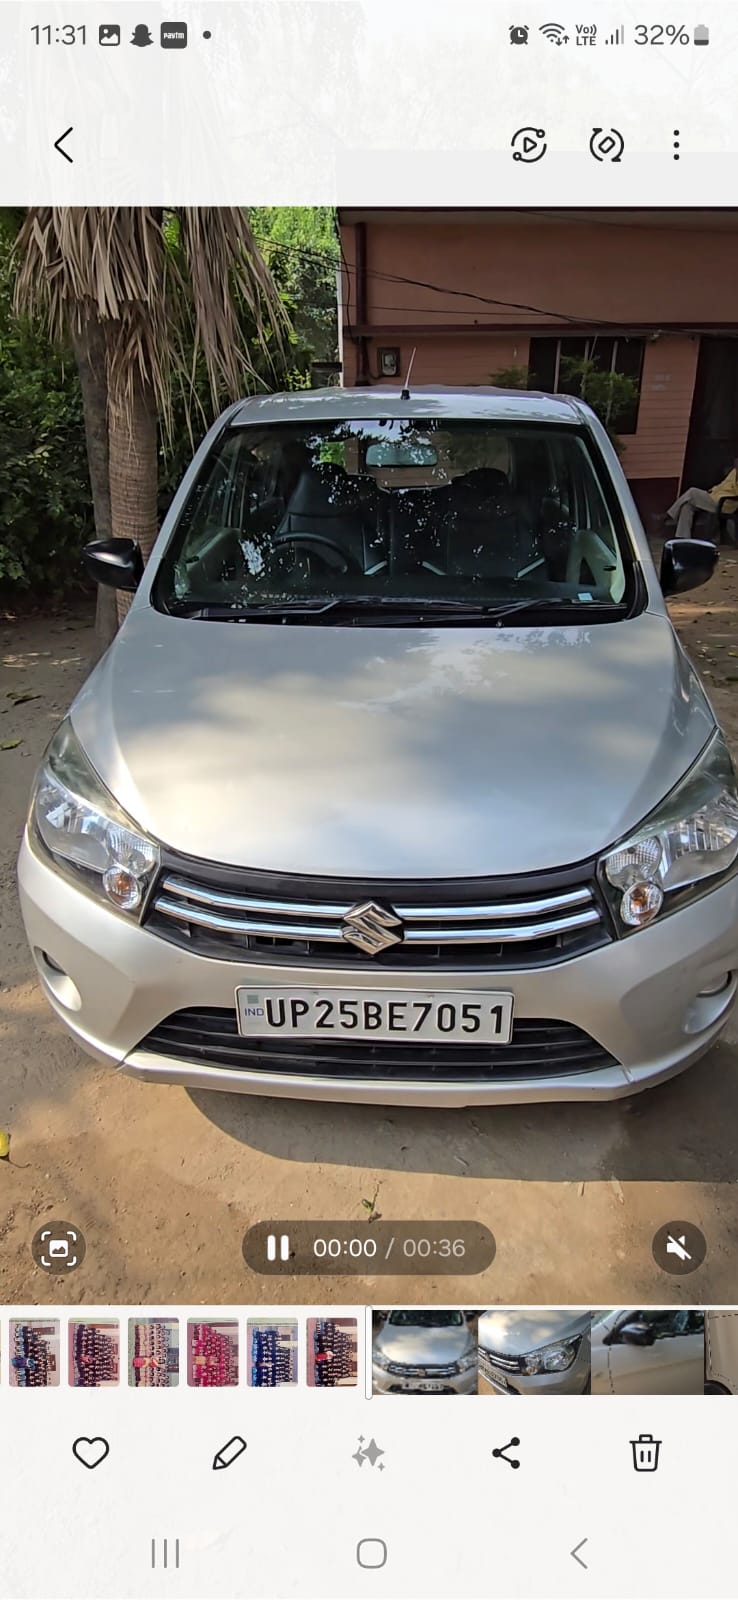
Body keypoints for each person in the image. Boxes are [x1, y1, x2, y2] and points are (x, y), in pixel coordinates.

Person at [667, 456, 738, 538]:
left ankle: (669, 514)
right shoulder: (734, 471)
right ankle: (683, 538)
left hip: (724, 503)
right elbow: (723, 484)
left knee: (692, 492)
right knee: (687, 506)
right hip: (713, 497)